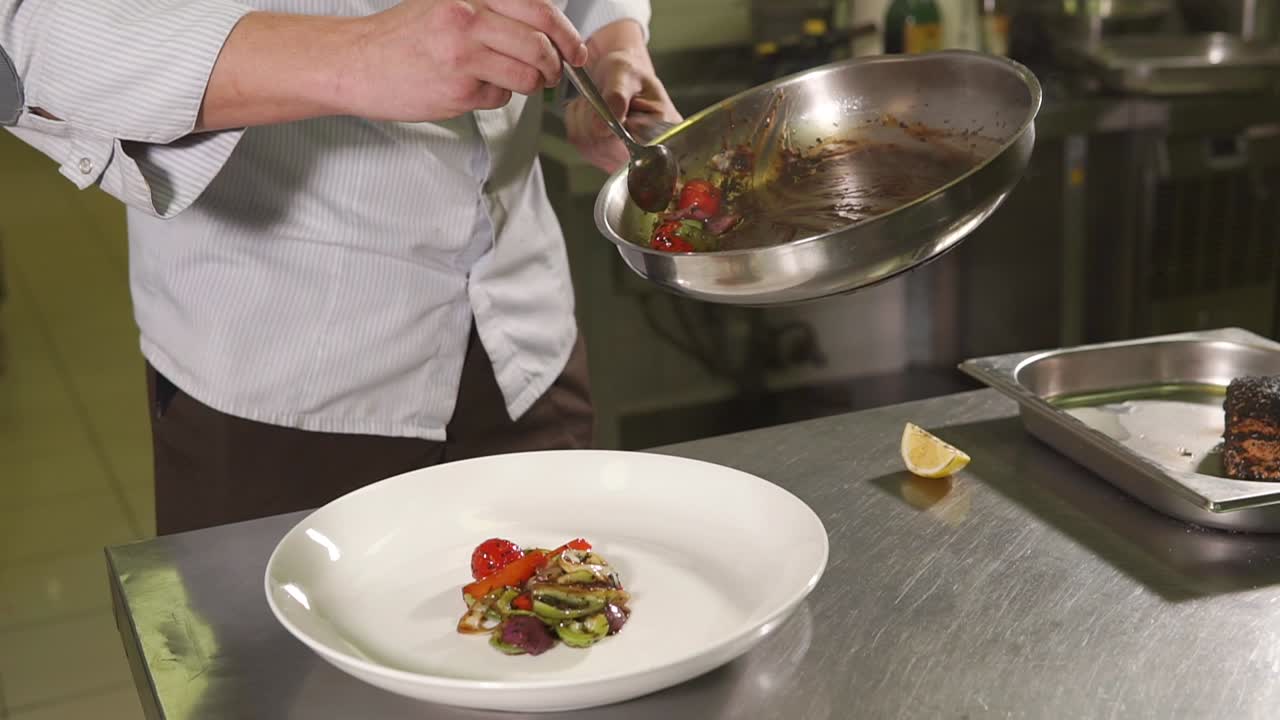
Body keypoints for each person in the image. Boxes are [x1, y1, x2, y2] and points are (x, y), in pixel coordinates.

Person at [0, 0, 681, 534]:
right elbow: (24, 29)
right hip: (281, 390)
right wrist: (354, 53)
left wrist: (612, 41)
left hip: (525, 346)